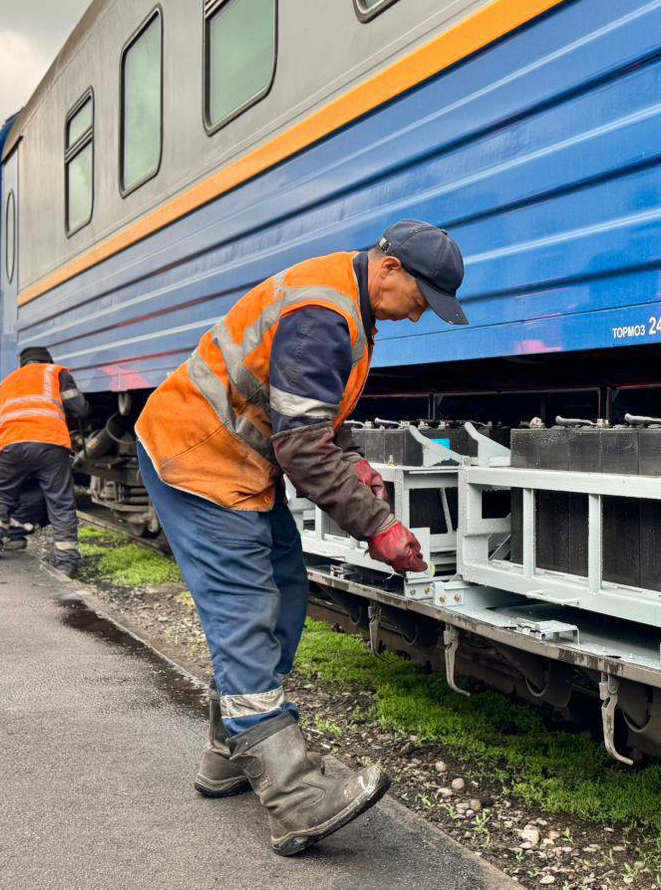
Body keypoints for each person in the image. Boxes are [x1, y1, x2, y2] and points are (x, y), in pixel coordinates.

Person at [134, 219, 466, 856]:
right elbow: (302, 448)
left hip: (238, 463)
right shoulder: (323, 312)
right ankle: (295, 800)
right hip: (197, 457)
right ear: (390, 269)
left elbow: (309, 412)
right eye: (422, 301)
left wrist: (356, 462)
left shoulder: (347, 301)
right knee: (246, 611)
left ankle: (230, 753)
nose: (419, 317)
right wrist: (380, 528)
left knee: (285, 593)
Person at [0, 346, 87, 572]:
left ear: (22, 364)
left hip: (11, 443)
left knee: (2, 493)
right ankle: (67, 562)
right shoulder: (55, 373)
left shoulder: (5, 383)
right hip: (49, 442)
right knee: (60, 500)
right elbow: (79, 409)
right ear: (47, 361)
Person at [0, 424, 48, 549]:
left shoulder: (7, 432)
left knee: (45, 492)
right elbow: (4, 476)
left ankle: (3, 533)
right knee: (40, 496)